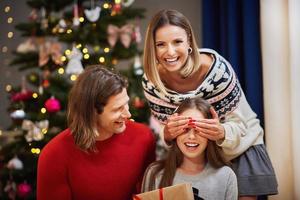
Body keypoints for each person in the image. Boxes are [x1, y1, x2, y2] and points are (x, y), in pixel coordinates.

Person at [142, 9, 278, 199]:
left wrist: (221, 132)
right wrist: (168, 133)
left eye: (177, 42)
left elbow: (241, 127)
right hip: (196, 156)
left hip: (238, 148)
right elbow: (168, 131)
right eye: (161, 44)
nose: (170, 51)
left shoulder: (218, 72)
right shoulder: (152, 83)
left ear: (189, 40)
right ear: (153, 48)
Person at [37, 65, 156, 200]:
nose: (128, 114)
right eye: (117, 109)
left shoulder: (143, 137)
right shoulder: (54, 155)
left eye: (126, 104)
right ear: (92, 112)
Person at [142, 98, 238, 200]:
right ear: (174, 132)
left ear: (211, 133)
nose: (191, 136)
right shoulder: (155, 173)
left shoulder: (226, 176)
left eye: (198, 129)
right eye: (185, 129)